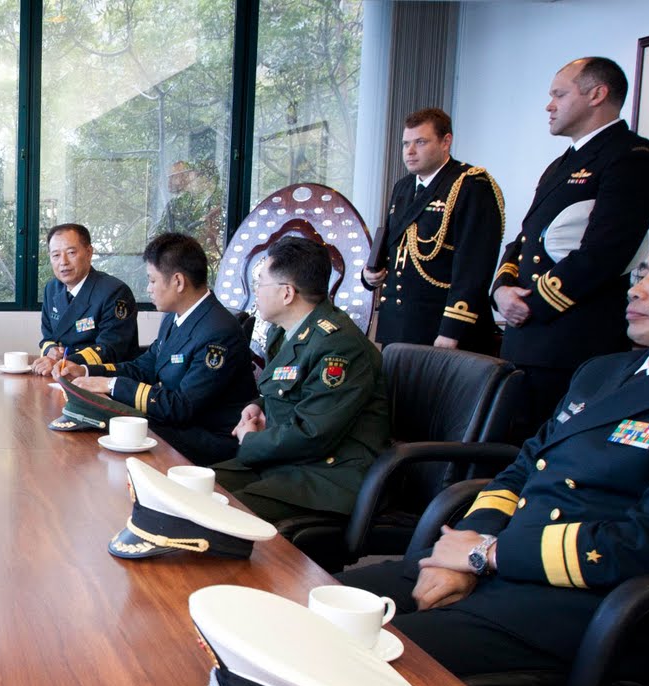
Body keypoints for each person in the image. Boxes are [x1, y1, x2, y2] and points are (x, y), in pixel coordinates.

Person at [339, 218, 649, 678]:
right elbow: (523, 467)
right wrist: (468, 548)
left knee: (361, 666)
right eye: (641, 273)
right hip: (496, 561)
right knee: (317, 609)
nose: (637, 289)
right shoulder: (603, 372)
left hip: (582, 605)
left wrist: (487, 554)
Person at [492, 56, 649, 438]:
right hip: (525, 339)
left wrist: (532, 304)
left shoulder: (632, 156)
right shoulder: (560, 164)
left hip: (571, 340)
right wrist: (501, 289)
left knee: (553, 450)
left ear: (596, 94)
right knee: (509, 448)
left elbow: (606, 252)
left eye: (559, 94)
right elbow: (525, 239)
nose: (549, 105)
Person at [211, 237, 390, 522]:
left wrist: (251, 440)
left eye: (261, 283)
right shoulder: (286, 331)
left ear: (287, 293)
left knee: (219, 515)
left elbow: (314, 433)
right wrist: (259, 406)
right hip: (287, 461)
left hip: (327, 477)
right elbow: (290, 391)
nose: (256, 291)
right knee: (191, 490)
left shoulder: (338, 346)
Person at [58, 233, 255, 464]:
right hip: (175, 423)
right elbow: (145, 366)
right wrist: (86, 371)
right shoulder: (175, 316)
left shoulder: (218, 332)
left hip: (206, 438)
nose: (148, 289)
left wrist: (111, 385)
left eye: (152, 281)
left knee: (106, 434)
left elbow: (182, 406)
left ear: (178, 282)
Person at [363, 107, 504, 353]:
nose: (410, 151)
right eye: (406, 143)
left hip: (440, 327)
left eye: (420, 142)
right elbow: (396, 248)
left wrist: (452, 329)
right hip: (399, 325)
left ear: (445, 142)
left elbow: (474, 265)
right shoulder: (403, 187)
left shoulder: (470, 185)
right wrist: (370, 274)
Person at [31, 223, 138, 375]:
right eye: (56, 255)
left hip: (100, 377)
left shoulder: (114, 292)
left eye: (71, 253)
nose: (63, 262)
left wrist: (64, 362)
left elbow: (111, 348)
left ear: (89, 253)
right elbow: (48, 337)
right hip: (61, 375)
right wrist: (51, 351)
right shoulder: (52, 289)